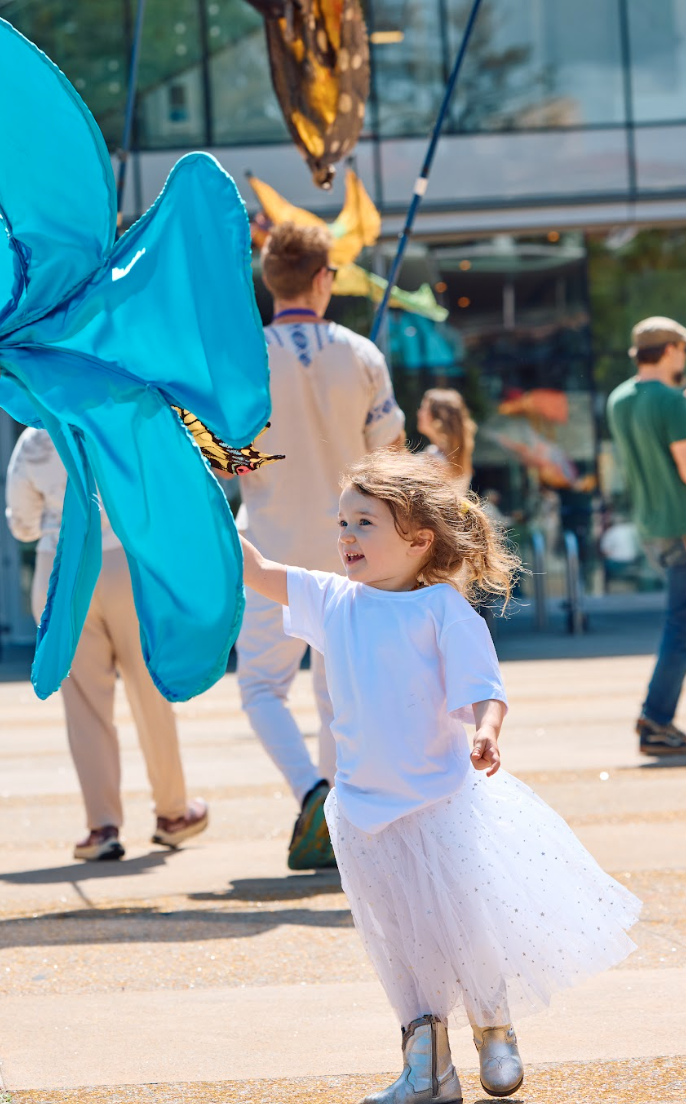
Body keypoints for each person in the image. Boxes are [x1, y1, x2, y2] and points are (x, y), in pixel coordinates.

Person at [240, 450, 640, 1104]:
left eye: (365, 523)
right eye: (342, 522)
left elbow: (486, 688)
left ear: (418, 540)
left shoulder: (442, 611)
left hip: (439, 804)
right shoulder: (332, 598)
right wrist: (198, 492)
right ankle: (427, 1066)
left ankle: (494, 1028)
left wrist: (485, 730)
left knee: (465, 924)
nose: (346, 536)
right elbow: (256, 569)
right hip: (363, 812)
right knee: (398, 938)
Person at [235, 221, 405, 870]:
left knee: (261, 688)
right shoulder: (361, 353)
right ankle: (339, 819)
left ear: (269, 281)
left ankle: (311, 792)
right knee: (338, 695)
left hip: (268, 550)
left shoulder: (242, 357)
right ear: (323, 279)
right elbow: (391, 458)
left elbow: (222, 460)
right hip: (350, 553)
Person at [6, 428, 208, 861]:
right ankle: (173, 814)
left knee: (83, 704)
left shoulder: (36, 435)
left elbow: (21, 525)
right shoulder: (117, 413)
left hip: (61, 567)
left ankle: (102, 827)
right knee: (150, 690)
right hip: (127, 560)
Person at [605, 316, 686, 758]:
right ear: (672, 349)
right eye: (684, 349)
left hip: (653, 530)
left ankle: (658, 717)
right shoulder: (671, 403)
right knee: (684, 626)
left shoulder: (619, 398)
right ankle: (655, 720)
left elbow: (655, 414)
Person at [416, 387, 476, 491]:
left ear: (436, 416)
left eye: (423, 408)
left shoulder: (433, 459)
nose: (419, 413)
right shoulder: (459, 456)